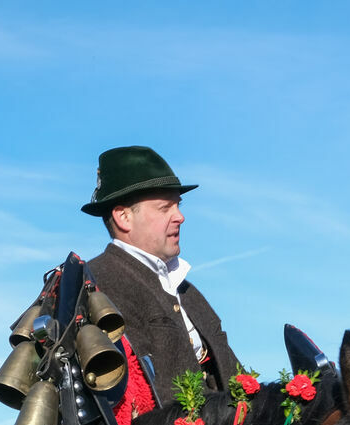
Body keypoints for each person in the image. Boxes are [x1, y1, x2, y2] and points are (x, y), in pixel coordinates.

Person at [79, 145, 241, 401]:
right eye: (165, 208)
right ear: (123, 217)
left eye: (178, 205)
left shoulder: (187, 291)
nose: (180, 217)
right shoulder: (99, 284)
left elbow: (237, 382)